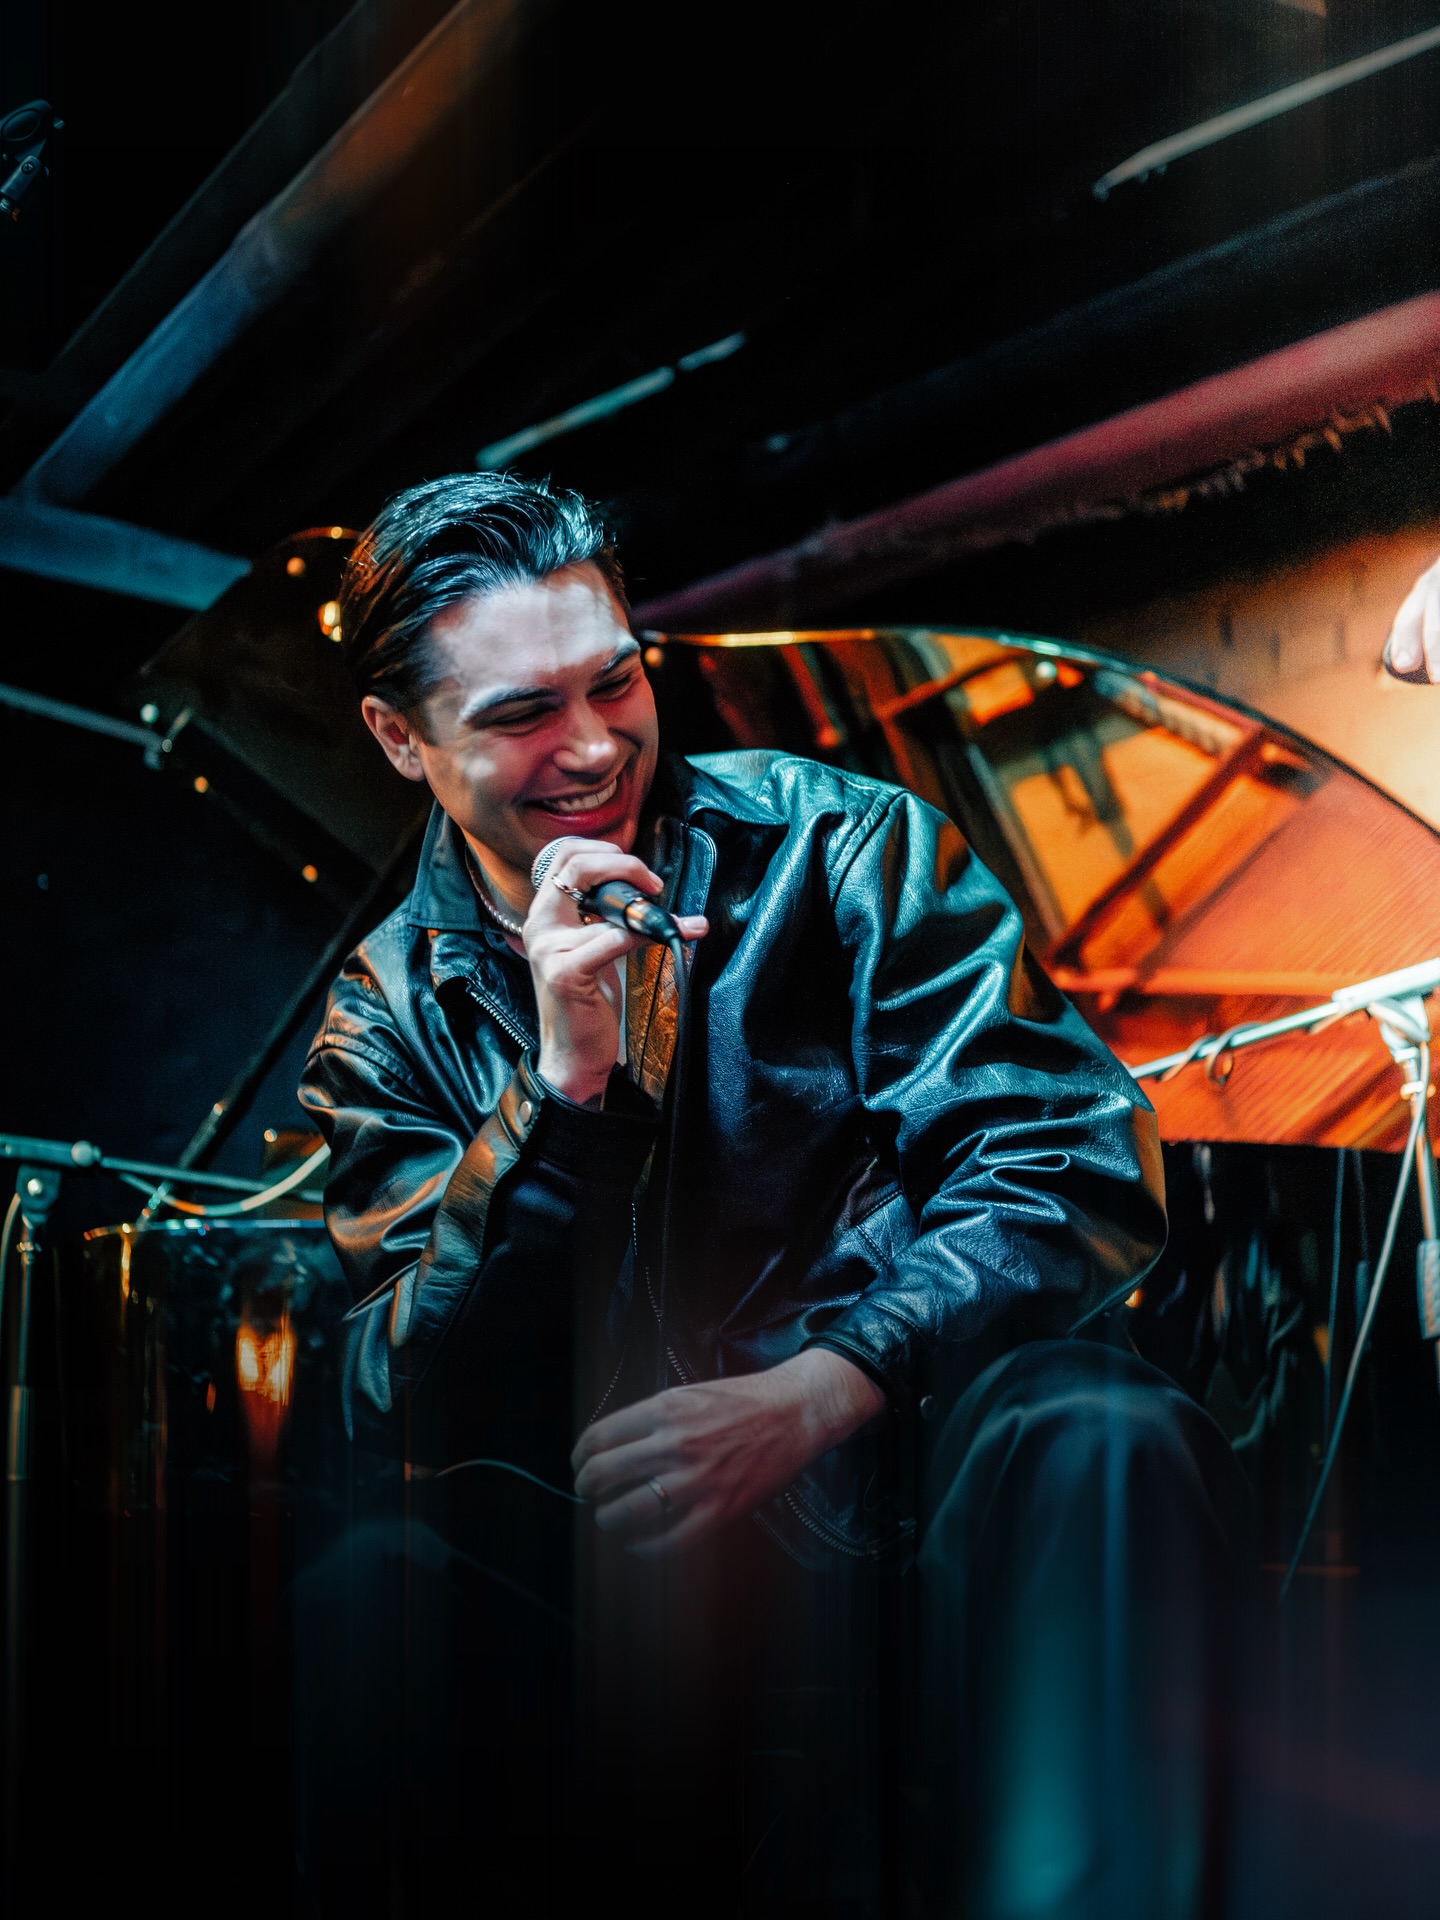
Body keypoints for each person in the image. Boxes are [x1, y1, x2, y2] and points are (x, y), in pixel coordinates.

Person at [295, 472, 1246, 1918]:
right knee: (370, 1584)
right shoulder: (381, 1017)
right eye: (522, 714)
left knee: (1101, 1433)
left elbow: (1069, 1156)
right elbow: (410, 1392)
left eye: (615, 681)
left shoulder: (843, 848)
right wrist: (559, 1094)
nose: (593, 745)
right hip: (610, 1569)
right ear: (396, 737)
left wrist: (822, 1388)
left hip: (901, 1479)